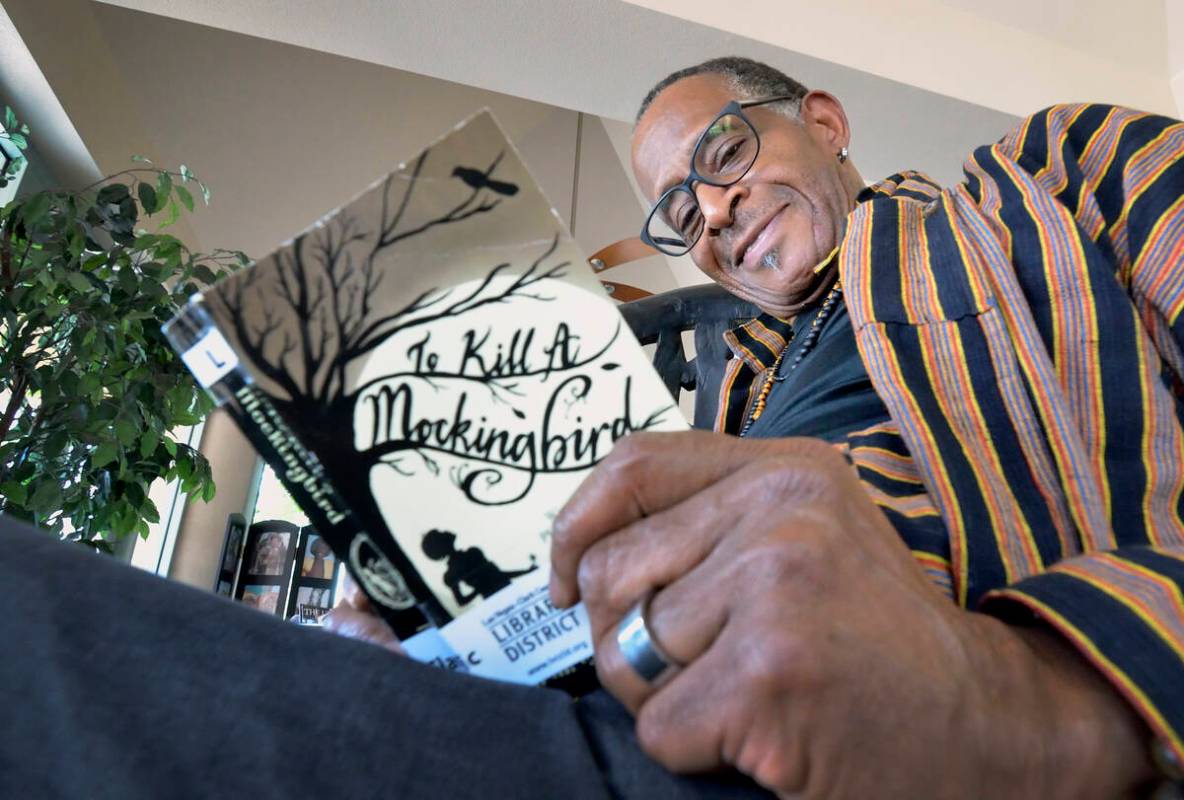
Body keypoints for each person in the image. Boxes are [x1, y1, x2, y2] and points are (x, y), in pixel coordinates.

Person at [2, 56, 1182, 799]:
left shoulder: (1049, 174)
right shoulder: (721, 397)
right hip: (621, 730)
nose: (710, 214)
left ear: (821, 119)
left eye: (723, 154)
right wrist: (442, 652)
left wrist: (1033, 705)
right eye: (677, 212)